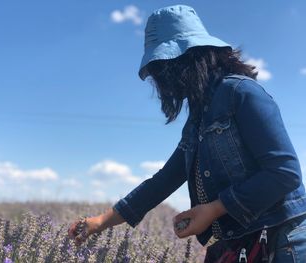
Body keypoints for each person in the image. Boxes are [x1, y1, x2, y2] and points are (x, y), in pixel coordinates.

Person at [68, 5, 306, 262]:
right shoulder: (198, 120)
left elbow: (285, 173)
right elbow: (164, 180)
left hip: (285, 241)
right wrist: (101, 221)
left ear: (185, 61)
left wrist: (214, 209)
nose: (161, 83)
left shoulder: (241, 93)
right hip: (241, 241)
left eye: (162, 71)